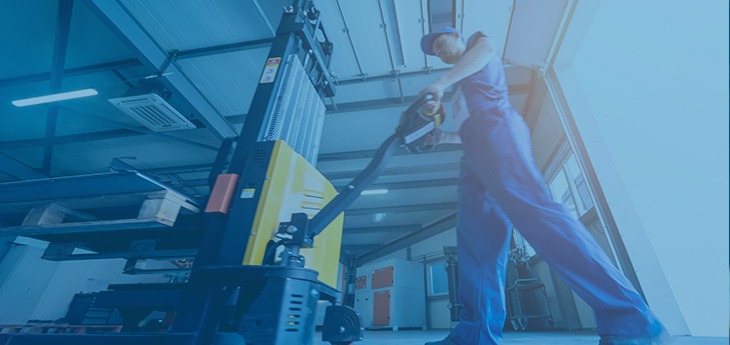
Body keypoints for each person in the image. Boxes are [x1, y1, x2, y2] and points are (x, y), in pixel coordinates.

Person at [419, 27, 669, 345]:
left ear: (458, 37)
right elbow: (468, 132)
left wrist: (440, 83)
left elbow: (485, 53)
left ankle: (631, 322)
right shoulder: (458, 91)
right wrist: (442, 137)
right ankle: (476, 333)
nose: (440, 50)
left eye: (442, 42)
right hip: (474, 154)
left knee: (536, 214)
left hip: (497, 129)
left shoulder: (478, 46)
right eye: (435, 50)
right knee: (476, 241)